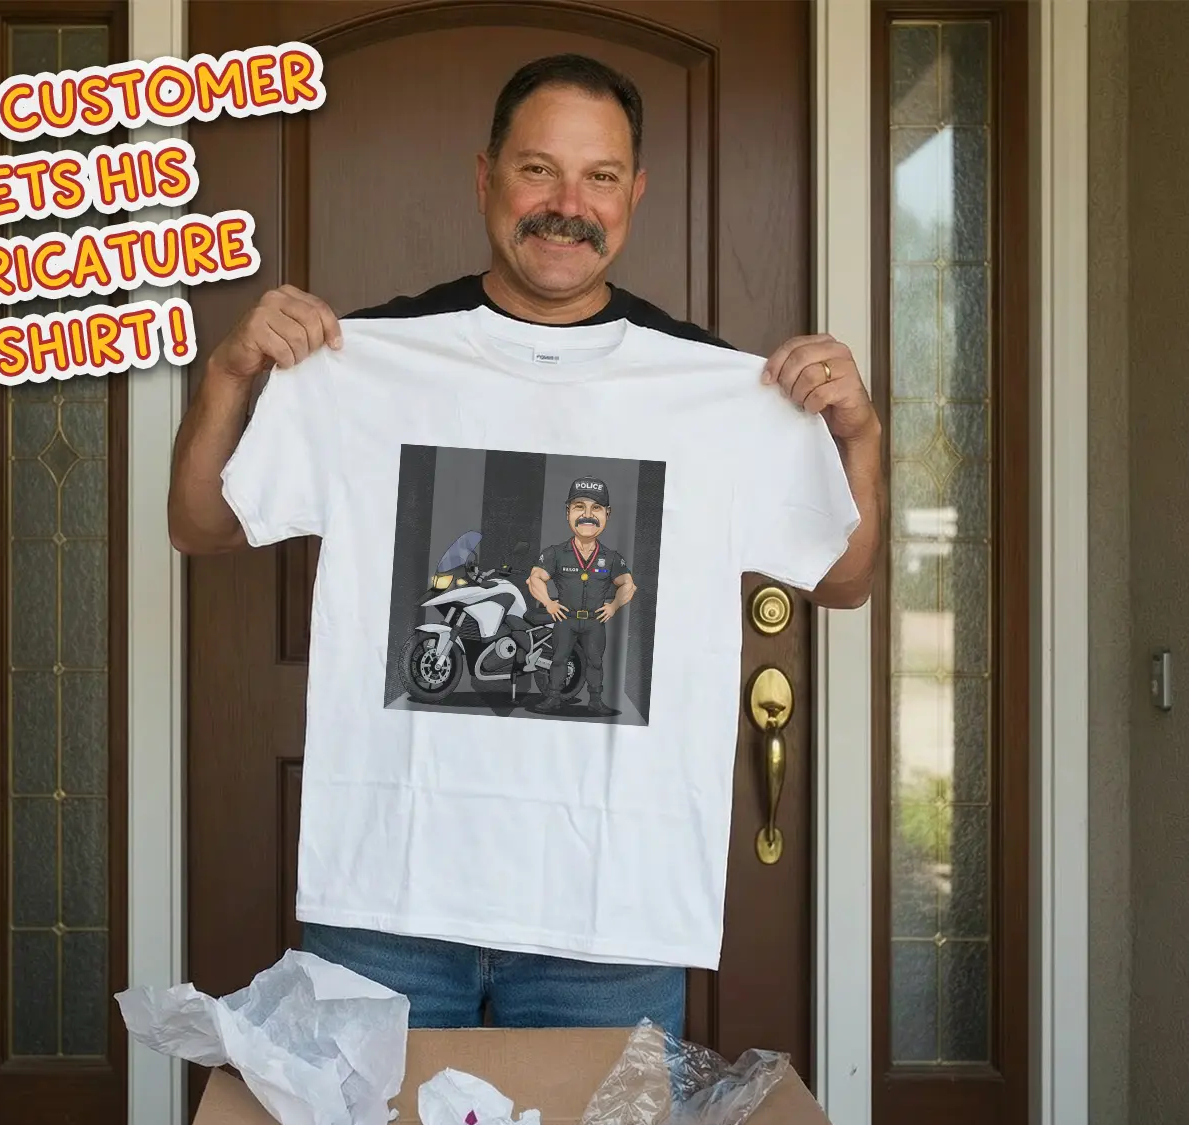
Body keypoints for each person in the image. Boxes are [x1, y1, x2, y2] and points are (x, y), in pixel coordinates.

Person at [168, 54, 883, 1036]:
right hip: (386, 901)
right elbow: (199, 525)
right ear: (486, 177)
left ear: (634, 194)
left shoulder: (716, 391)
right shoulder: (362, 362)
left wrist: (859, 438)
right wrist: (230, 374)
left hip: (612, 917)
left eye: (599, 176)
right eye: (538, 169)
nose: (567, 204)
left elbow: (843, 580)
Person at [528, 476, 635, 717]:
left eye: (596, 508)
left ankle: (595, 701)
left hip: (594, 621)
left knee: (595, 662)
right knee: (559, 659)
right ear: (568, 512)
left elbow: (628, 584)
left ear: (607, 513)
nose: (588, 515)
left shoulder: (611, 558)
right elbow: (535, 578)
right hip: (565, 619)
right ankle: (553, 698)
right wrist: (548, 603)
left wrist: (614, 606)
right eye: (579, 507)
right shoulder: (555, 553)